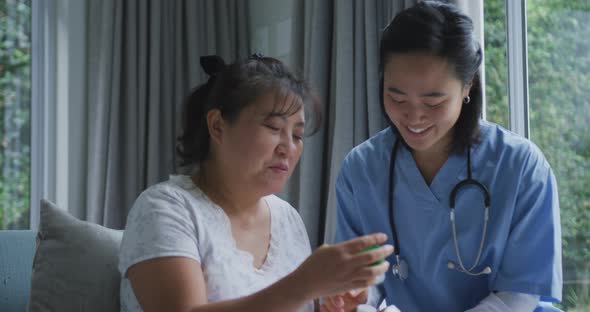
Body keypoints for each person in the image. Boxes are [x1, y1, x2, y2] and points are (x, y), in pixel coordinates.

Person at [321, 1, 562, 311]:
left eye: (433, 102)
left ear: (468, 86)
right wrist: (352, 302)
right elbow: (362, 287)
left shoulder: (521, 166)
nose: (413, 117)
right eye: (396, 97)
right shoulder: (362, 169)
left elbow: (519, 294)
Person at [118, 54, 394, 312]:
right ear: (217, 126)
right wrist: (304, 284)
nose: (288, 147)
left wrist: (334, 303)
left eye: (297, 136)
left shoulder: (286, 218)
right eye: (274, 128)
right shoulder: (165, 209)